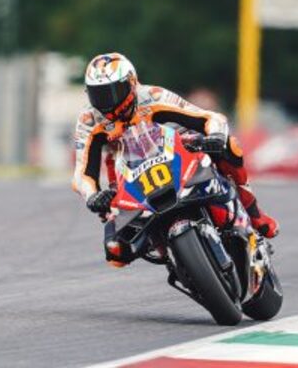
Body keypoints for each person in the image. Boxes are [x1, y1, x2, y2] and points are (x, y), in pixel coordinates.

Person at [73, 52, 279, 266]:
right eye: (99, 95)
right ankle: (164, 249)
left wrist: (215, 136)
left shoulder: (152, 96)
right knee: (116, 254)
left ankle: (254, 214)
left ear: (132, 83)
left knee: (230, 146)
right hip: (128, 173)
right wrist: (93, 196)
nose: (108, 101)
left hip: (175, 150)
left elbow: (209, 117)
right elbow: (82, 172)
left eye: (114, 91)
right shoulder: (89, 120)